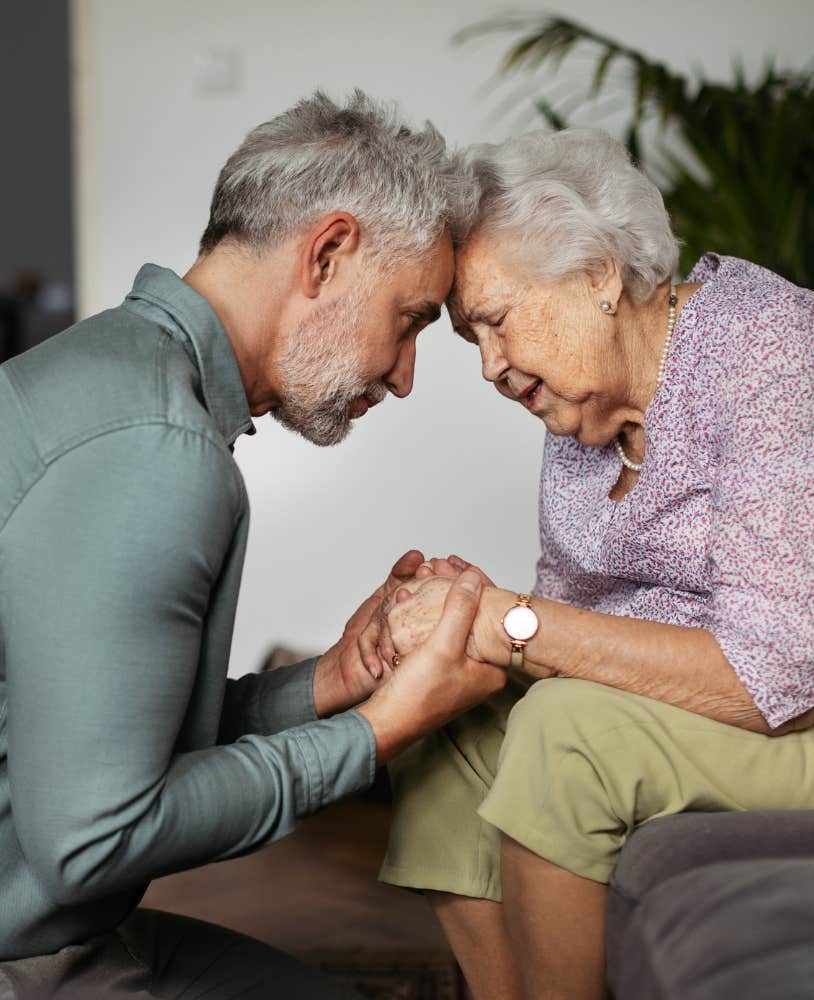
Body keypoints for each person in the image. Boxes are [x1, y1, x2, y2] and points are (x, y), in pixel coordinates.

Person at [0, 91, 503, 999]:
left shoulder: (114, 374)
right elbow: (92, 840)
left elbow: (108, 739)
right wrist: (377, 733)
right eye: (411, 319)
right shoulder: (156, 449)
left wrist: (331, 682)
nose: (404, 376)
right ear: (329, 253)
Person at [370, 128, 814, 1000]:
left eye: (497, 321)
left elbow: (776, 679)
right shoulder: (584, 410)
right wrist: (464, 613)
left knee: (566, 733)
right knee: (444, 713)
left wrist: (510, 621)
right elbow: (569, 631)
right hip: (718, 714)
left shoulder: (771, 352)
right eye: (472, 339)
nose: (489, 366)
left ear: (597, 273)